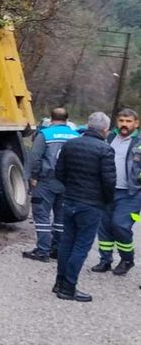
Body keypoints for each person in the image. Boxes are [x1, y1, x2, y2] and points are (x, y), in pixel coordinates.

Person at [54, 112, 116, 302]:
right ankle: (68, 287)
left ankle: (59, 283)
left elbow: (59, 172)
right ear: (105, 129)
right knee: (81, 246)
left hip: (70, 200)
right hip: (91, 204)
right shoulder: (105, 150)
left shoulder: (70, 144)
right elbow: (109, 181)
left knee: (66, 243)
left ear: (88, 126)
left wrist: (70, 189)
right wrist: (107, 200)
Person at [23, 108, 80, 262]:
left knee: (42, 215)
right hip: (68, 182)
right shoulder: (76, 136)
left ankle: (43, 250)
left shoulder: (45, 134)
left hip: (46, 180)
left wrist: (33, 176)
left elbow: (36, 157)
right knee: (61, 217)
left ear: (51, 118)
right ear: (67, 119)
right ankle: (58, 249)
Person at [91, 108, 141, 275]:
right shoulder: (109, 137)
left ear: (136, 123)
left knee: (120, 225)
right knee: (104, 226)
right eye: (121, 121)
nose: (124, 124)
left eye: (128, 121)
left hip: (131, 193)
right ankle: (105, 260)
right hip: (108, 190)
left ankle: (127, 259)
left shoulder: (139, 141)